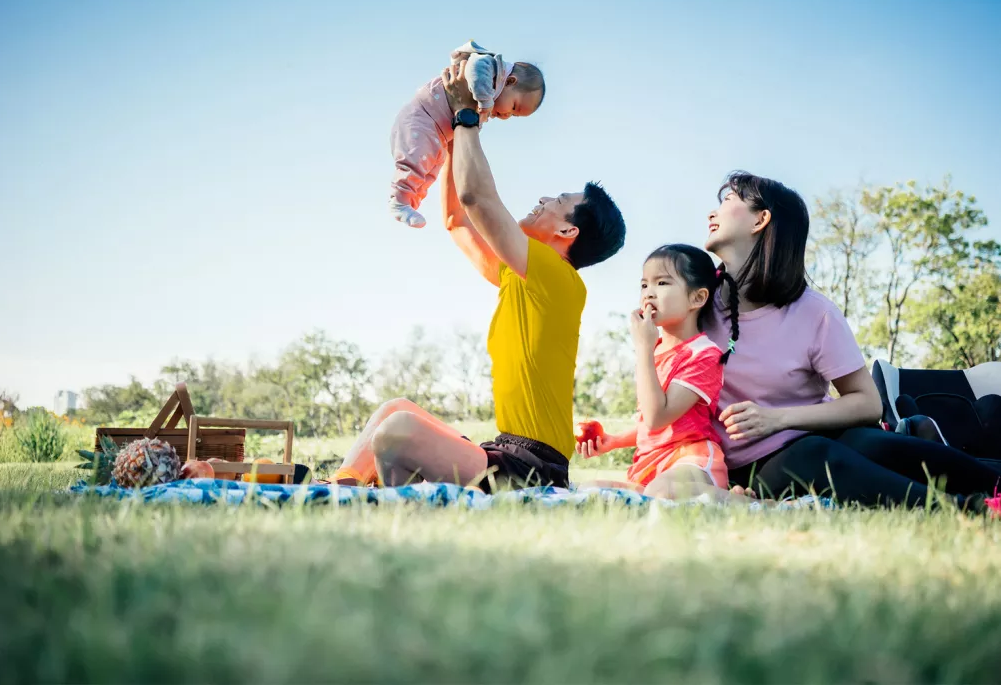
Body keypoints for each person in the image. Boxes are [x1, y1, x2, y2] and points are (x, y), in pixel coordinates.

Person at [329, 58, 623, 491]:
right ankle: (339, 489)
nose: (544, 198)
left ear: (567, 232)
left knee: (398, 432)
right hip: (504, 451)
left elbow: (476, 198)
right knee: (395, 411)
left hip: (535, 467)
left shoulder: (558, 278)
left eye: (559, 200)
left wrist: (467, 115)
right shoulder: (522, 276)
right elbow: (457, 220)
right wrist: (451, 132)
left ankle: (390, 504)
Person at [703, 170, 1001, 513]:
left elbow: (867, 403)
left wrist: (777, 419)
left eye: (728, 201)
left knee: (873, 444)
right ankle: (969, 510)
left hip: (813, 437)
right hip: (751, 466)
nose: (712, 213)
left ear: (761, 219)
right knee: (814, 454)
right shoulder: (694, 302)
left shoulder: (814, 312)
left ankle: (994, 482)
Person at [576, 244, 741, 500]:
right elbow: (651, 427)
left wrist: (643, 348)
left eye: (662, 283)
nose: (649, 293)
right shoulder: (654, 351)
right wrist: (614, 441)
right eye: (644, 285)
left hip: (690, 459)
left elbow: (658, 417)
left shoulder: (704, 355)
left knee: (661, 492)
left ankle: (750, 503)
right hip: (650, 464)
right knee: (589, 491)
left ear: (697, 298)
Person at [388, 41, 544, 229]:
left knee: (431, 169)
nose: (506, 116)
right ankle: (399, 201)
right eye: (513, 107)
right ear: (510, 81)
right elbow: (475, 68)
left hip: (439, 134)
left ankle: (411, 202)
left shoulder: (490, 93)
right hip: (422, 117)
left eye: (513, 116)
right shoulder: (490, 68)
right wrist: (485, 103)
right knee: (415, 161)